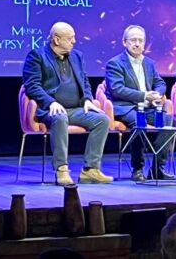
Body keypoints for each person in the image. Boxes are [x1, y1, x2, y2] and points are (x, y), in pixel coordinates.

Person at [23, 22, 112, 185]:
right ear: (56, 40)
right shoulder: (37, 56)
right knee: (60, 117)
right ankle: (61, 169)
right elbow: (32, 85)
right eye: (70, 38)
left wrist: (87, 99)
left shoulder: (77, 56)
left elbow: (84, 80)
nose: (74, 41)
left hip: (75, 109)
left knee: (102, 119)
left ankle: (90, 170)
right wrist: (50, 102)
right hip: (50, 110)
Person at [105, 25, 176, 182]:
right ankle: (137, 168)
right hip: (125, 107)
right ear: (124, 42)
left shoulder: (149, 63)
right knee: (139, 121)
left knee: (168, 121)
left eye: (140, 40)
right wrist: (144, 95)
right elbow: (117, 89)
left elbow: (160, 82)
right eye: (133, 40)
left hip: (147, 107)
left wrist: (158, 93)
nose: (137, 44)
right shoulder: (115, 63)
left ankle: (157, 168)